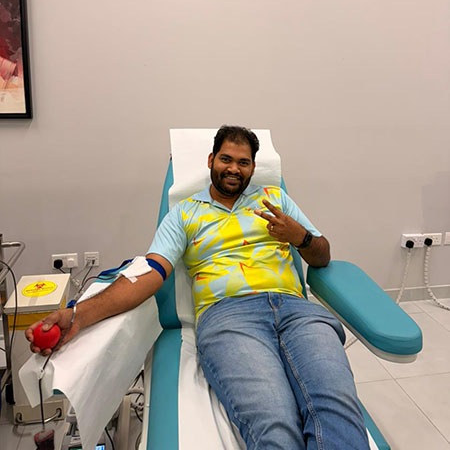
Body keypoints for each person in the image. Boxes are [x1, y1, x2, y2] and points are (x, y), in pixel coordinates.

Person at [27, 126, 370, 449]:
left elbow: (322, 255)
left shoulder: (275, 199)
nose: (233, 168)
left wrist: (301, 237)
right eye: (226, 159)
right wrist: (78, 316)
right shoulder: (184, 214)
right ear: (210, 160)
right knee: (275, 424)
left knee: (337, 408)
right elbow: (149, 274)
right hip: (230, 318)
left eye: (243, 162)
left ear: (253, 168)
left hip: (297, 311)